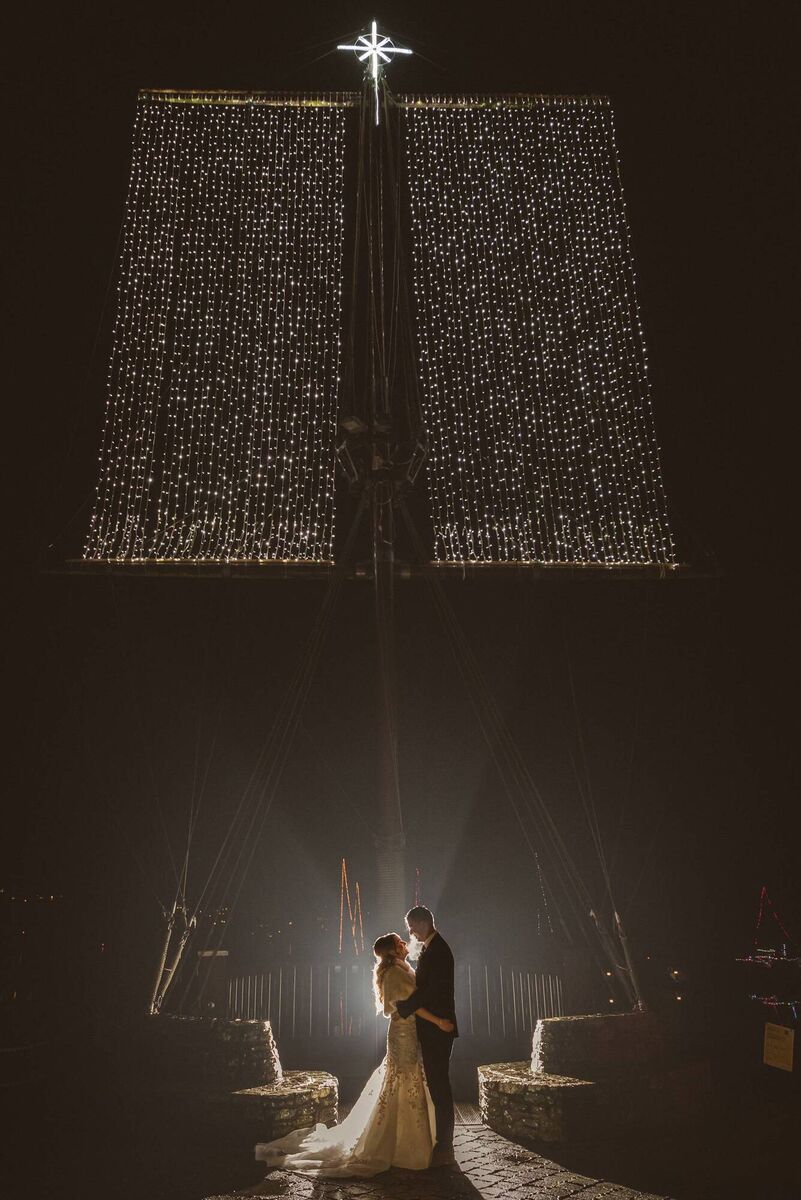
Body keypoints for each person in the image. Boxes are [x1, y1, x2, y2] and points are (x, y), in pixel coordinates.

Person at [252, 932, 454, 1179]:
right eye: (399, 942)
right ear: (391, 951)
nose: (404, 943)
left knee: (406, 1080)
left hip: (409, 1033)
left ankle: (410, 1138)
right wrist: (439, 1021)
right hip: (403, 1035)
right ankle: (400, 1145)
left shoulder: (401, 968)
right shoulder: (394, 974)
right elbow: (411, 1006)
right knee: (402, 1080)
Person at [395, 905, 458, 1168]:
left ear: (423, 922)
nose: (410, 932)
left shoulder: (439, 950)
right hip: (434, 1028)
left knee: (440, 1086)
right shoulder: (433, 948)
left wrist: (405, 1007)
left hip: (438, 1029)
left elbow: (430, 991)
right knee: (437, 1084)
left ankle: (445, 1146)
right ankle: (443, 1143)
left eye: (412, 926)